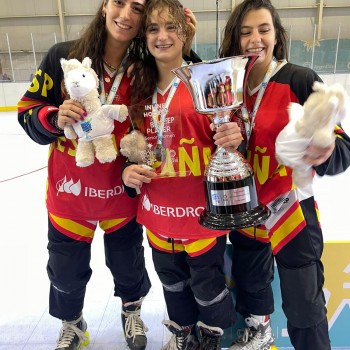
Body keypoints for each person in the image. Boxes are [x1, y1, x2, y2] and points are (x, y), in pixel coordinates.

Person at [17, 1, 198, 350]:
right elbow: (28, 110)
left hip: (121, 194)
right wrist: (53, 118)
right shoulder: (63, 57)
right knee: (66, 275)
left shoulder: (144, 66)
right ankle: (73, 323)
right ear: (104, 6)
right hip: (70, 194)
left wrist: (187, 44)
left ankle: (131, 311)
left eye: (137, 7)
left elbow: (187, 82)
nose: (126, 14)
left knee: (128, 268)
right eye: (119, 3)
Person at [219, 1, 350, 349]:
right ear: (235, 38)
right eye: (245, 32)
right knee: (252, 288)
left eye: (264, 29)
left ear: (277, 35)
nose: (254, 39)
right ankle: (259, 335)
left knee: (305, 309)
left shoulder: (301, 79)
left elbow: (343, 149)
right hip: (247, 215)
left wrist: (327, 152)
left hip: (292, 216)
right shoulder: (229, 88)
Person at [121, 0, 244, 349]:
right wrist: (127, 171)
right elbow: (127, 149)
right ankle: (183, 331)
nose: (162, 36)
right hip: (158, 217)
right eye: (153, 29)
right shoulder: (137, 90)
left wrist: (234, 138)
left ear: (184, 31)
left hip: (201, 218)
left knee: (208, 286)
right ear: (144, 37)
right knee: (171, 283)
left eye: (170, 27)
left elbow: (232, 136)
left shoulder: (205, 80)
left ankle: (211, 333)